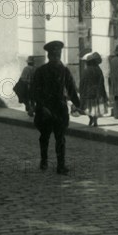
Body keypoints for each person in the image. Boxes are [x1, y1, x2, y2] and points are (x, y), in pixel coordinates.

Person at [31, 41, 80, 175]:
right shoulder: (42, 71)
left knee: (58, 138)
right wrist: (41, 106)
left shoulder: (63, 70)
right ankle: (46, 161)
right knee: (47, 137)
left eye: (58, 55)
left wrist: (77, 104)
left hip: (57, 109)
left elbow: (71, 88)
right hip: (47, 109)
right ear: (49, 56)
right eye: (55, 55)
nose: (56, 58)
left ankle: (58, 165)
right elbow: (35, 90)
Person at [79, 52, 108, 127]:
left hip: (88, 92)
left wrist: (81, 91)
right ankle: (95, 121)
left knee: (88, 108)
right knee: (95, 107)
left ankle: (91, 118)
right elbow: (101, 81)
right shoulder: (98, 70)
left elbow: (82, 82)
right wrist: (102, 92)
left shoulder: (86, 71)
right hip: (97, 91)